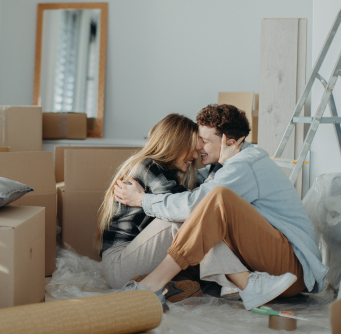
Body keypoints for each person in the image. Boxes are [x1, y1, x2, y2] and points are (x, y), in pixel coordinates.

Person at [114, 104, 328, 311]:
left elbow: (193, 205)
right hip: (278, 264)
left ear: (230, 142)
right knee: (211, 212)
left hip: (291, 269)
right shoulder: (228, 167)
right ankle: (240, 283)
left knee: (218, 198)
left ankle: (152, 284)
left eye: (204, 141)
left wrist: (142, 200)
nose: (198, 148)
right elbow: (196, 191)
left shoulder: (244, 165)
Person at [95, 113, 244, 306]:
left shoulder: (171, 174)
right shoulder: (146, 167)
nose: (194, 155)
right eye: (191, 149)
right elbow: (188, 207)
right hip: (120, 264)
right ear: (175, 144)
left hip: (143, 258)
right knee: (181, 219)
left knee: (197, 224)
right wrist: (224, 164)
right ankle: (238, 281)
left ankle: (169, 285)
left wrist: (220, 164)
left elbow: (203, 192)